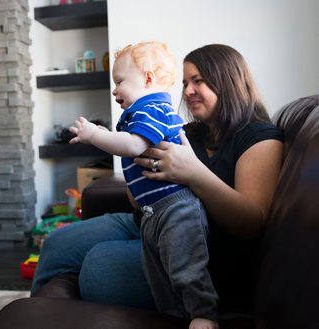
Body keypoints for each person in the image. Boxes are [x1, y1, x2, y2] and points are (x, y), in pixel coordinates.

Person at [31, 44, 284, 322]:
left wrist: (193, 173)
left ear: (229, 80)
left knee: (98, 267)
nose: (186, 91)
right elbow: (135, 188)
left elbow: (252, 221)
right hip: (145, 218)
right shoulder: (186, 131)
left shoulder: (260, 137)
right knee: (56, 243)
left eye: (198, 81)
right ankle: (30, 318)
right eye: (186, 82)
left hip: (188, 237)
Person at [68, 41, 218, 328]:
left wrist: (95, 137)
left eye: (119, 81)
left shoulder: (154, 108)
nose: (114, 90)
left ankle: (203, 313)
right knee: (158, 274)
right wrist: (101, 132)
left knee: (186, 266)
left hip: (177, 208)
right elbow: (128, 140)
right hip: (153, 211)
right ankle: (173, 315)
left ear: (147, 78)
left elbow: (134, 145)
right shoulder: (140, 115)